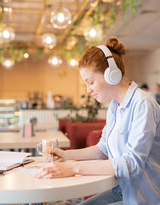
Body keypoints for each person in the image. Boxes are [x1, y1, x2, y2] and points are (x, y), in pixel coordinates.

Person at [35, 37, 160, 205]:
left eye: (91, 82)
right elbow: (102, 149)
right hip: (122, 191)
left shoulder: (143, 103)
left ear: (112, 75)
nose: (88, 90)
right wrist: (65, 155)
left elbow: (132, 163)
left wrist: (72, 168)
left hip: (143, 198)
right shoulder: (115, 106)